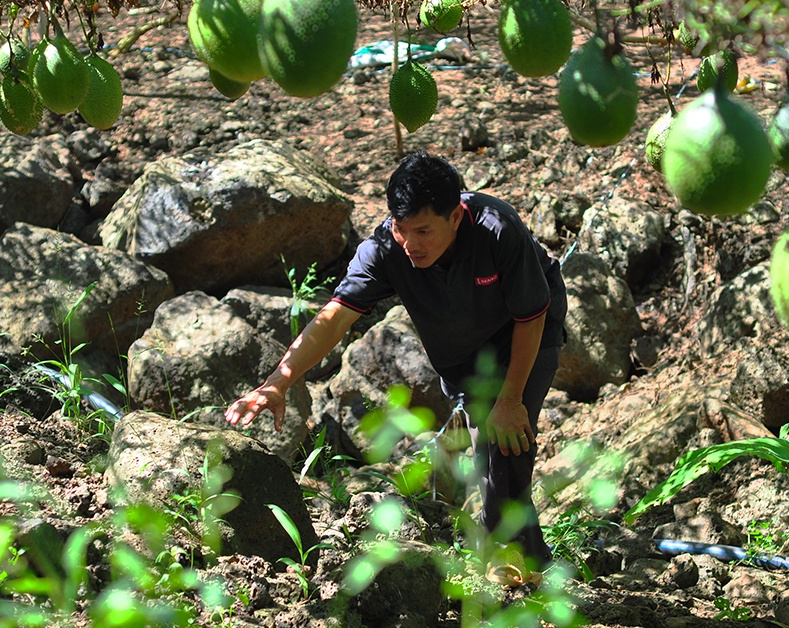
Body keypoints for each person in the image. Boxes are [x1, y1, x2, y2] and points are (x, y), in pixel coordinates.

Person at [225, 149, 567, 577]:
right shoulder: (388, 247)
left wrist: (512, 398)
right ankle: (531, 561)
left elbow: (530, 316)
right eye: (403, 229)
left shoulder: (498, 230)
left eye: (424, 230)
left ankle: (509, 569)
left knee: (505, 445)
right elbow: (333, 319)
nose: (411, 244)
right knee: (491, 460)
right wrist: (279, 381)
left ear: (456, 217)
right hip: (462, 354)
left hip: (526, 334)